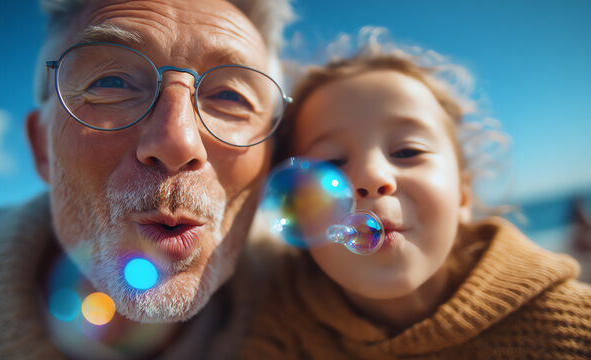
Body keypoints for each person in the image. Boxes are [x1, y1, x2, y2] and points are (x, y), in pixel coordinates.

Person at [0, 0, 293, 358]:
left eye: (230, 96)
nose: (178, 142)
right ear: (42, 148)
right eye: (112, 82)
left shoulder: (332, 302)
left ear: (271, 158)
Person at [238, 30, 591, 359]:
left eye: (407, 151)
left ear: (463, 197)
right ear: (295, 208)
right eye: (332, 163)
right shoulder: (280, 329)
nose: (374, 177)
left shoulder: (570, 328)